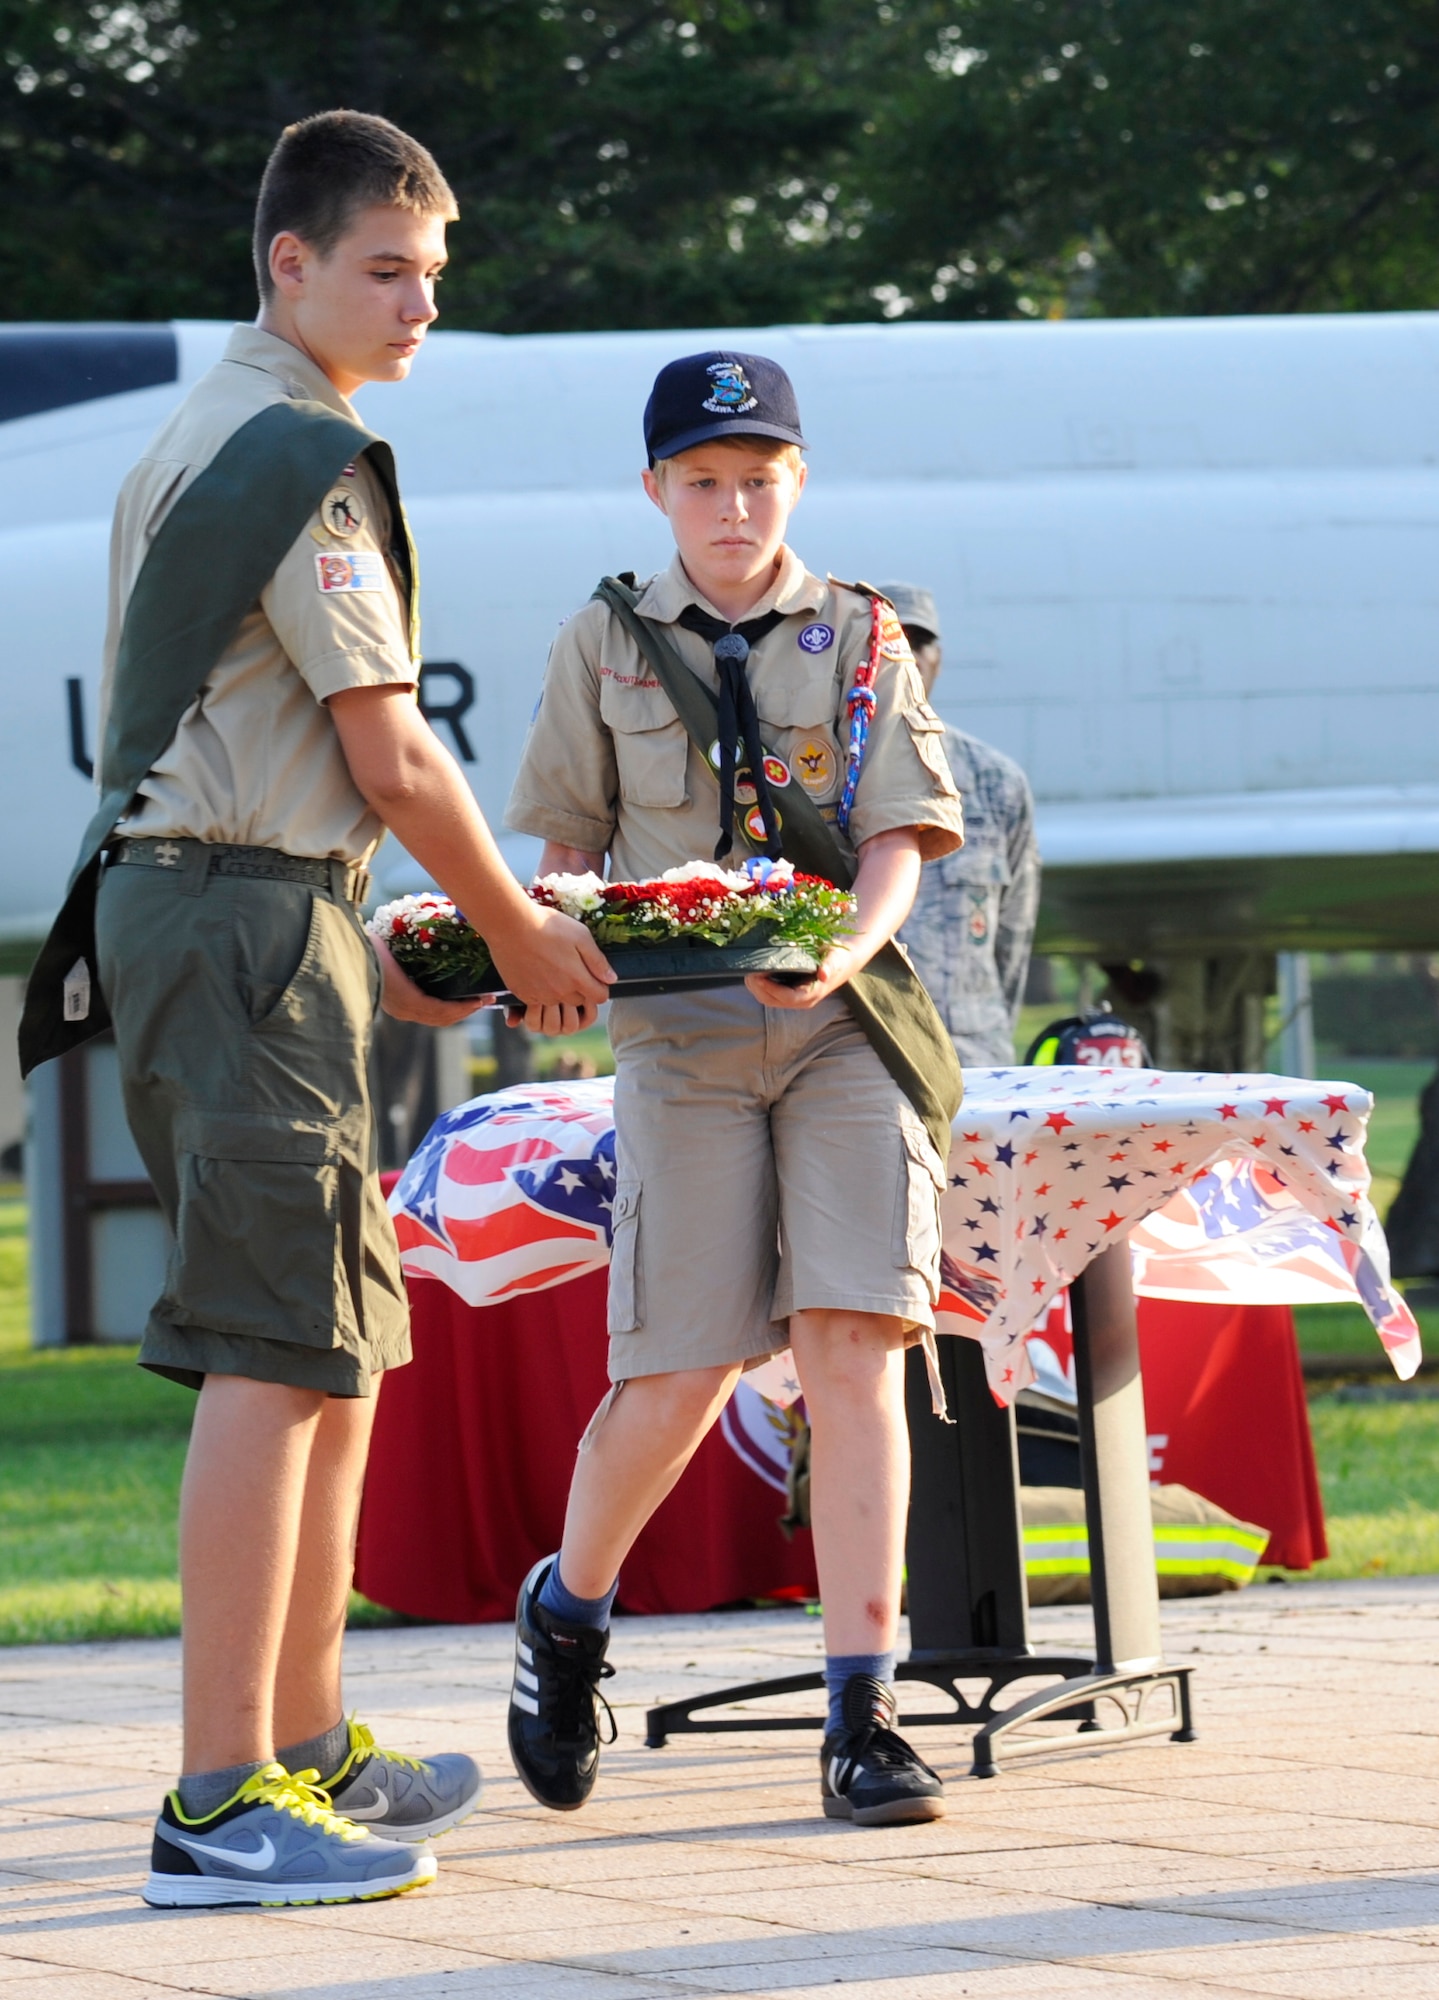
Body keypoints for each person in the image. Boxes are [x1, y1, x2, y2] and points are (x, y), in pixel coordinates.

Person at [22, 111, 610, 1910]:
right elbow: (385, 744)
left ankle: (304, 1736)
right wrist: (516, 926)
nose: (418, 302)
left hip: (258, 913)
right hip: (243, 918)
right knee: (275, 1349)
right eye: (383, 268)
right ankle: (217, 1800)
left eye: (433, 273)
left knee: (335, 1337)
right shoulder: (295, 449)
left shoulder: (219, 434)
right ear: (288, 263)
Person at [503, 351, 966, 1827]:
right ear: (655, 490)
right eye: (701, 478)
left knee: (853, 1347)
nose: (731, 502)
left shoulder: (858, 634)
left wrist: (843, 955)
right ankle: (566, 1618)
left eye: (758, 474)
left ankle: (862, 1707)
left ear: (797, 482)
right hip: (682, 1042)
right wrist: (559, 928)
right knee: (680, 1370)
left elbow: (900, 829)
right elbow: (559, 841)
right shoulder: (604, 638)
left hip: (840, 1027)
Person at [884, 583, 1040, 1067]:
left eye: (919, 643)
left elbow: (1012, 939)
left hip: (972, 1058)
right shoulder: (819, 781)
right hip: (866, 1058)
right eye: (890, 641)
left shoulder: (995, 783)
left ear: (938, 659)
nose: (906, 656)